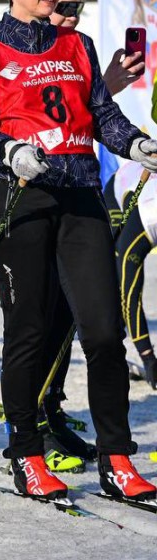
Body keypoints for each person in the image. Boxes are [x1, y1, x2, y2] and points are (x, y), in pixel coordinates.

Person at [0, 0, 157, 502]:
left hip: (80, 197)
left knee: (102, 329)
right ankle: (26, 453)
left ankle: (117, 458)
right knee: (29, 332)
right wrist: (9, 152)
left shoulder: (80, 47)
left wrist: (140, 146)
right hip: (19, 197)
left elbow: (102, 116)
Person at [33, 0, 146, 473]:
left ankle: (53, 413)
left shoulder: (77, 50)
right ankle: (37, 421)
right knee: (44, 318)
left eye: (79, 7)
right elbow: (46, 118)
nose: (72, 17)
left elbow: (88, 115)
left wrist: (106, 88)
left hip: (85, 191)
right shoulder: (24, 49)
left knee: (86, 320)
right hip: (36, 200)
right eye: (64, 7)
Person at [105, 161, 157, 389]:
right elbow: (130, 296)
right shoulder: (148, 221)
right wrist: (149, 358)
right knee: (117, 279)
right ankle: (112, 349)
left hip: (143, 183)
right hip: (118, 191)